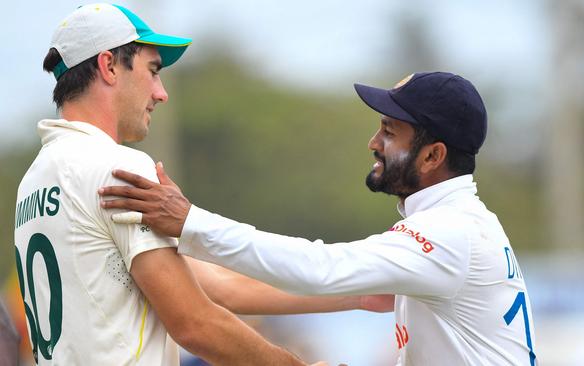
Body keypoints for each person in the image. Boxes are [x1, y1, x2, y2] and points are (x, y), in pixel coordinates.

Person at [15, 3, 384, 365]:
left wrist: (361, 294)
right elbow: (194, 324)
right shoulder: (116, 166)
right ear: (108, 65)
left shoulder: (33, 180)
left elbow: (220, 288)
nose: (161, 93)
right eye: (153, 70)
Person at [100, 72, 538, 365]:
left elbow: (319, 270)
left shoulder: (446, 232)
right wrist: (147, 252)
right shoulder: (456, 225)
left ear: (433, 155)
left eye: (389, 131)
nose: (373, 142)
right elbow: (246, 289)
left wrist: (189, 220)